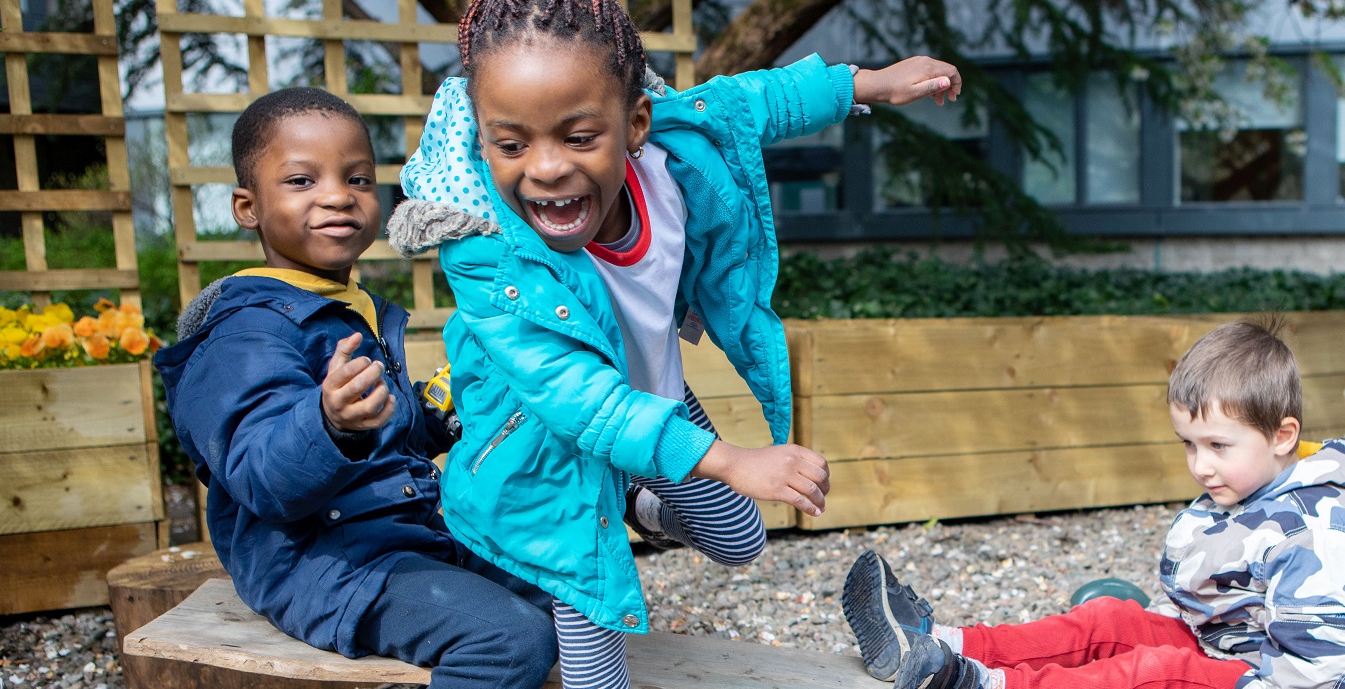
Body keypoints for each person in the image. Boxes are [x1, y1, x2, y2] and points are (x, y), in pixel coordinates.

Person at [382, 0, 963, 686]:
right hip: (550, 444)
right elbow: (580, 401)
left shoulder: (668, 156)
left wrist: (865, 84)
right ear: (483, 139)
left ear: (633, 125)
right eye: (511, 144)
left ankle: (636, 499)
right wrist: (726, 458)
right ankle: (612, 502)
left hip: (651, 400)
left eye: (577, 137)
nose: (544, 167)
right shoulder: (486, 255)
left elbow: (750, 101)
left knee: (739, 539)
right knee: (597, 645)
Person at [153, 87, 557, 689]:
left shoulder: (347, 307)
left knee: (568, 588)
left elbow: (390, 435)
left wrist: (439, 410)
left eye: (359, 179)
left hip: (403, 535)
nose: (338, 196)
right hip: (322, 561)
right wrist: (328, 423)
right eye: (300, 181)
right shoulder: (242, 334)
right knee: (509, 639)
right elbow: (261, 476)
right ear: (247, 207)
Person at [842, 319, 1345, 689]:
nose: (1200, 465)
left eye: (1217, 446)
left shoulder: (1327, 530)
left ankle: (980, 683)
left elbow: (1316, 673)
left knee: (1153, 671)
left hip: (1285, 683)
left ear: (1283, 436)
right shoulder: (1256, 483)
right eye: (1189, 444)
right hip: (1233, 654)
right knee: (1110, 620)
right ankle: (946, 643)